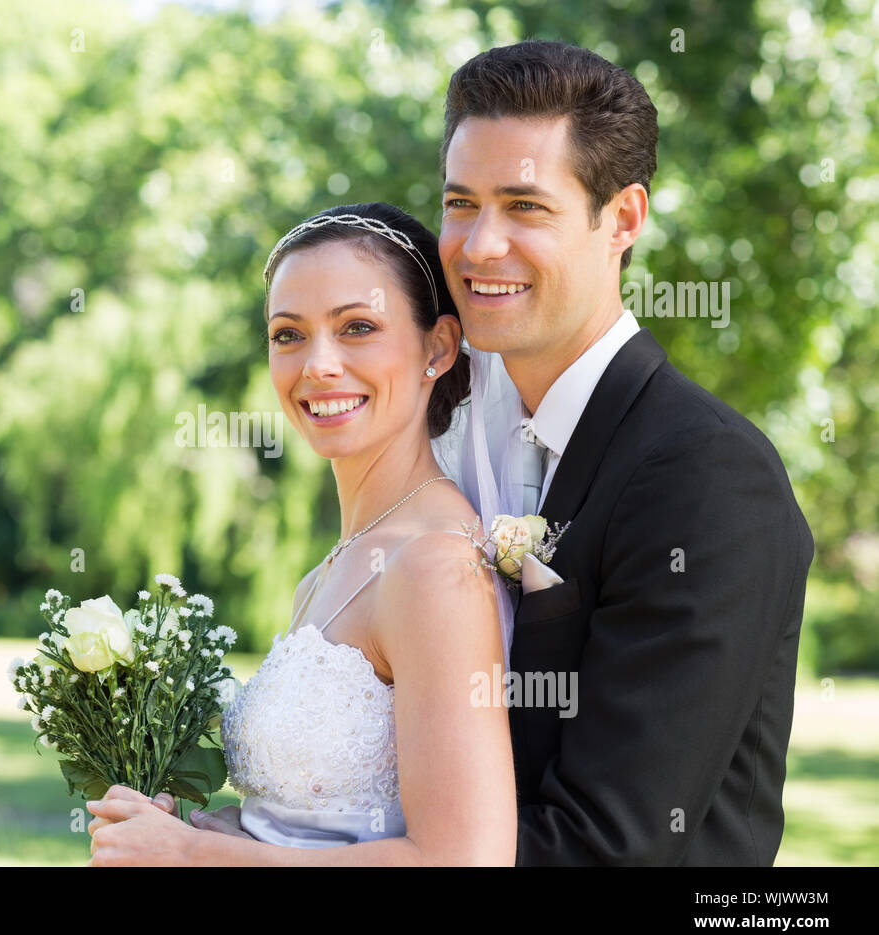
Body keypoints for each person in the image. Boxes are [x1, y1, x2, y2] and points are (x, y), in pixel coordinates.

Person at [434, 40, 814, 864]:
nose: (477, 246)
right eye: (460, 203)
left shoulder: (708, 477)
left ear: (625, 218)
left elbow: (603, 849)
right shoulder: (458, 443)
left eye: (524, 207)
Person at [85, 202, 517, 865]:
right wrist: (203, 829)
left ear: (438, 347)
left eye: (358, 327)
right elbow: (314, 833)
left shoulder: (433, 566)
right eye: (289, 334)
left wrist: (190, 855)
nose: (317, 365)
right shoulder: (326, 574)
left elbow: (460, 859)